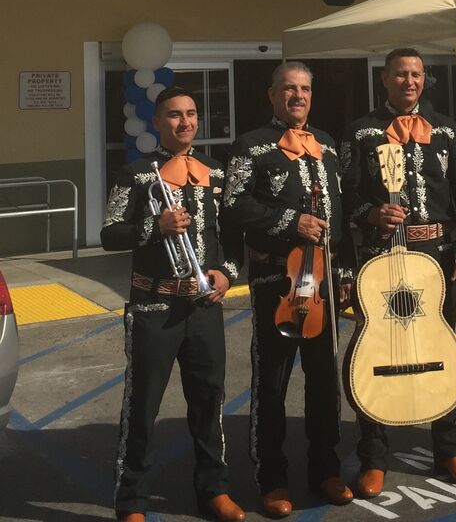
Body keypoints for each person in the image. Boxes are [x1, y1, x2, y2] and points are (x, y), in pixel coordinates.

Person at [340, 47, 456, 497]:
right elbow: (345, 199)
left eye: (416, 74)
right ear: (384, 79)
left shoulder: (445, 128)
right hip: (381, 260)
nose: (409, 82)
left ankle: (448, 448)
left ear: (426, 80)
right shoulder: (361, 132)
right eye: (400, 75)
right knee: (376, 351)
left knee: (441, 346)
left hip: (437, 259)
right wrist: (371, 213)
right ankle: (373, 456)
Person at [101, 87, 245, 522]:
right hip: (154, 308)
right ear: (157, 122)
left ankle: (214, 490)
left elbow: (233, 236)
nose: (185, 122)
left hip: (203, 307)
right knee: (143, 407)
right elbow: (110, 234)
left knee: (209, 402)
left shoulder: (216, 173)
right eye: (174, 115)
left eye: (191, 114)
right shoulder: (136, 174)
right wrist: (155, 225)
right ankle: (131, 502)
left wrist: (227, 273)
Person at [221, 62, 352, 518]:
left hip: (324, 280)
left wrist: (347, 272)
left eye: (305, 90)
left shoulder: (328, 145)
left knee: (323, 381)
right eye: (288, 89)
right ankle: (271, 479)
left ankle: (325, 469)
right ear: (271, 94)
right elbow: (233, 206)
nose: (297, 96)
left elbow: (343, 212)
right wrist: (290, 221)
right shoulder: (250, 145)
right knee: (272, 384)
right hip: (275, 280)